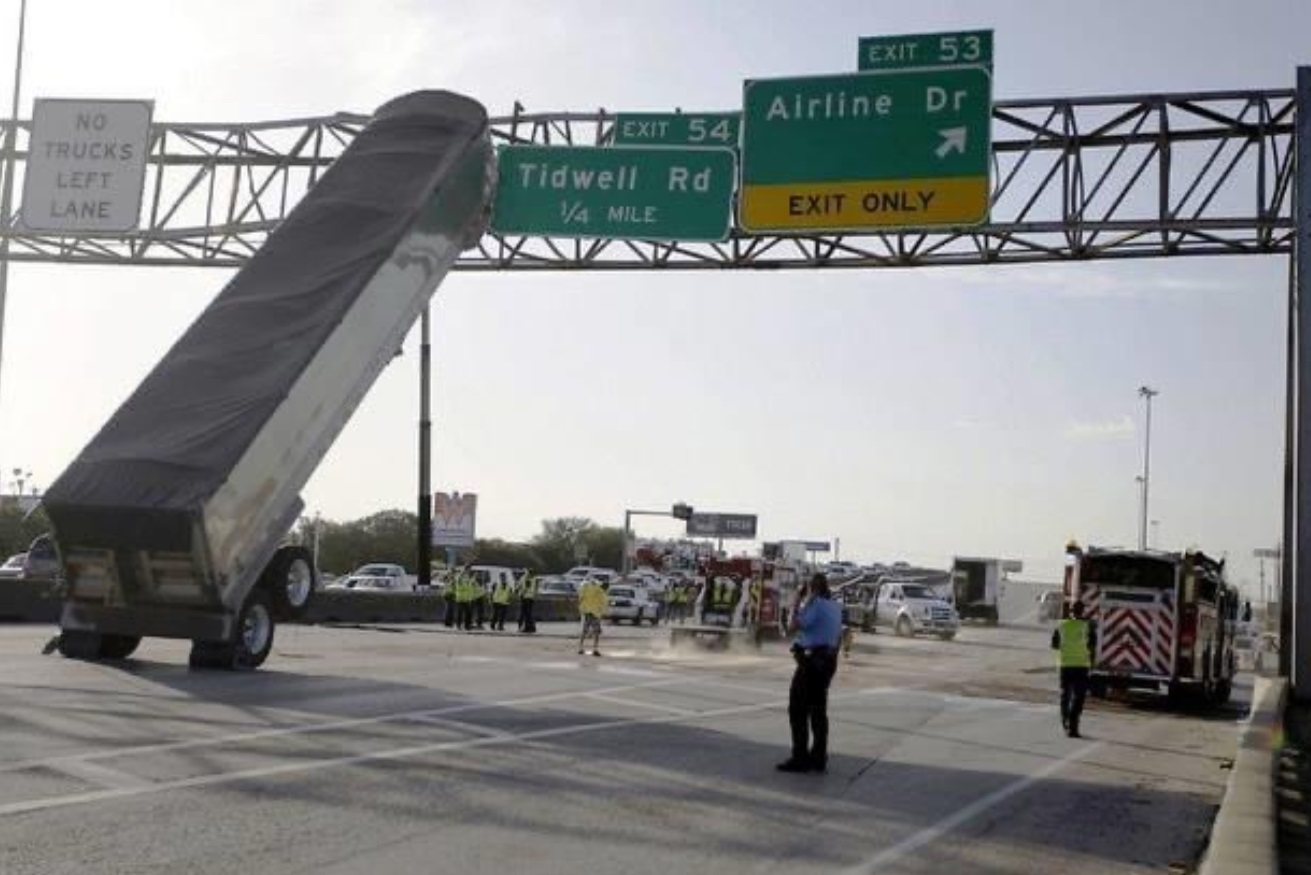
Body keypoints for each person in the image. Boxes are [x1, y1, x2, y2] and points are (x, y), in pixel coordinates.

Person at [777, 573, 843, 774]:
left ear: (811, 589)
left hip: (812, 662)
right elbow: (838, 636)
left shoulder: (815, 604)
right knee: (818, 711)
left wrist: (797, 602)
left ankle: (800, 758)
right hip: (828, 661)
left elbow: (792, 627)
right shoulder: (834, 607)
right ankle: (819, 757)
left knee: (797, 710)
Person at [1051, 599, 1097, 738]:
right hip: (1081, 666)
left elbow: (1055, 645)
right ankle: (1073, 725)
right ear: (1083, 610)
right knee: (1079, 697)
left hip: (1065, 665)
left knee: (1065, 695)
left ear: (1071, 611)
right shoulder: (1088, 626)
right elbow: (1092, 646)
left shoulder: (1061, 625)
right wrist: (1092, 663)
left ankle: (1065, 721)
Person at [578, 576, 607, 656]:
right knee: (596, 632)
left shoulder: (585, 588)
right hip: (595, 613)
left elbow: (580, 599)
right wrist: (602, 612)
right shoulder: (599, 590)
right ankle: (595, 649)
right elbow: (603, 602)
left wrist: (581, 609)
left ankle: (580, 648)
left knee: (584, 631)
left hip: (587, 612)